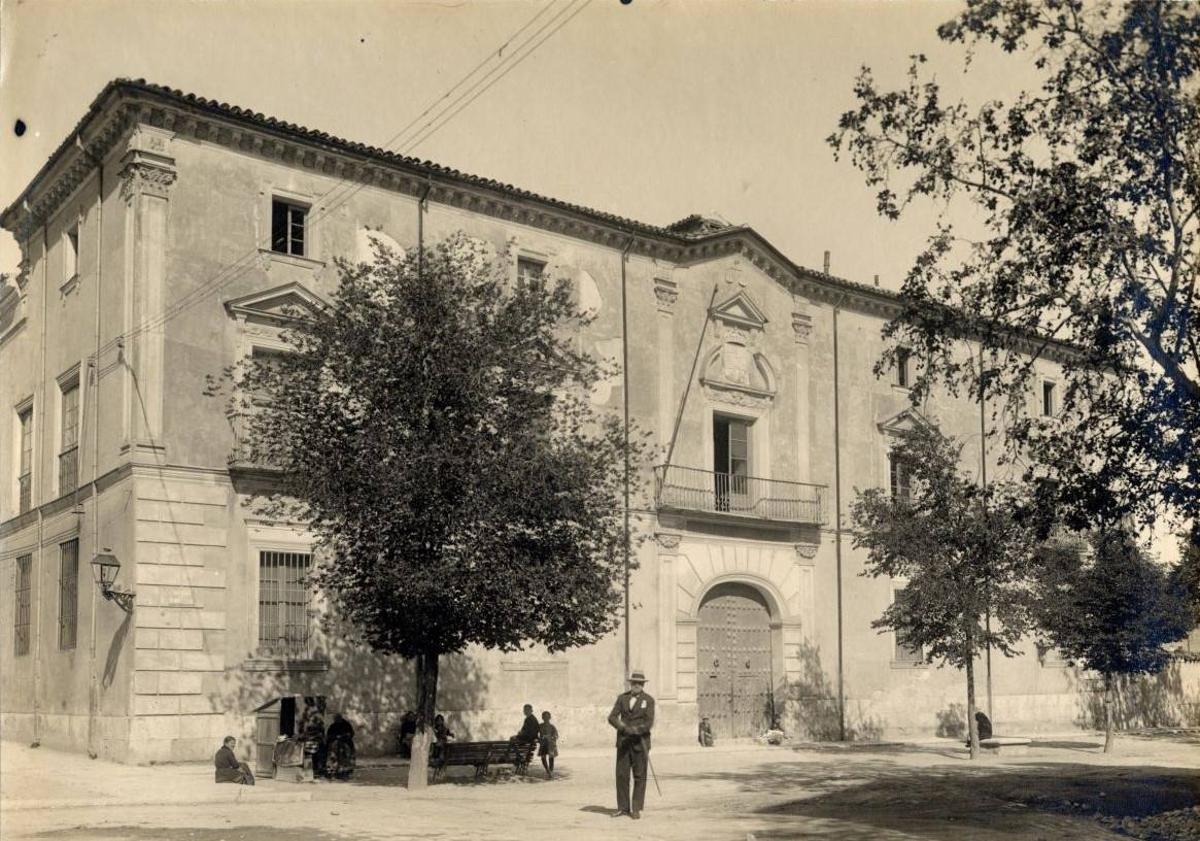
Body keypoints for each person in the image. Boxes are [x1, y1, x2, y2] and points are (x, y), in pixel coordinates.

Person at [607, 669, 655, 820]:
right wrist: (623, 727)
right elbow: (612, 717)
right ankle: (623, 808)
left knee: (639, 776)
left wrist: (636, 730)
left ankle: (636, 808)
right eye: (634, 682)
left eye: (640, 683)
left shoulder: (649, 700)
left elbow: (649, 722)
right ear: (630, 683)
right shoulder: (622, 698)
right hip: (624, 743)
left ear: (643, 685)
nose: (637, 685)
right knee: (621, 775)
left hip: (641, 743)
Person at [325, 712, 356, 780]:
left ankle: (345, 772)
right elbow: (329, 735)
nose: (336, 720)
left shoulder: (346, 725)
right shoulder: (333, 726)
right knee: (333, 753)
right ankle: (333, 771)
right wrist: (334, 737)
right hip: (335, 744)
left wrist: (344, 736)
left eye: (337, 718)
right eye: (335, 719)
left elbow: (351, 733)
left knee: (345, 754)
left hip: (345, 743)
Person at [302, 702, 327, 778]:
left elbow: (320, 731)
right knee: (311, 757)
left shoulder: (316, 722)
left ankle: (315, 771)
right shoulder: (310, 722)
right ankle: (311, 772)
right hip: (311, 741)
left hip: (315, 741)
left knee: (316, 757)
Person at [538, 710, 559, 778]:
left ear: (550, 717)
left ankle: (550, 771)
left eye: (547, 717)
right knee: (543, 757)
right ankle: (547, 770)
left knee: (551, 757)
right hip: (543, 744)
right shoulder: (540, 726)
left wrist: (552, 737)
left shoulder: (552, 726)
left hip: (550, 744)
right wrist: (539, 739)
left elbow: (556, 735)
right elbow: (535, 734)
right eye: (544, 717)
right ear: (542, 718)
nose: (546, 718)